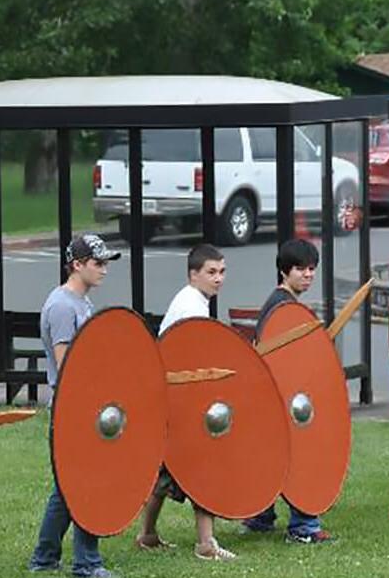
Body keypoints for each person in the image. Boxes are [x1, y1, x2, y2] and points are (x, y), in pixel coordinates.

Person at [28, 233, 121, 578]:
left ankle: (44, 557)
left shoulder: (82, 303)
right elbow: (68, 366)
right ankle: (87, 563)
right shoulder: (64, 306)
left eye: (105, 263)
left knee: (67, 487)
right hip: (73, 409)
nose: (104, 271)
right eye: (98, 264)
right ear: (77, 265)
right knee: (84, 484)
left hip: (85, 406)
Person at [135, 244, 236, 561]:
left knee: (167, 472)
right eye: (211, 272)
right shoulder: (192, 306)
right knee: (203, 469)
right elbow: (189, 358)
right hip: (182, 402)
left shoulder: (192, 301)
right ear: (194, 274)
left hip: (175, 401)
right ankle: (206, 544)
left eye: (221, 272)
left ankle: (148, 535)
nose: (218, 279)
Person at [241, 239, 335, 544]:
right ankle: (303, 527)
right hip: (279, 394)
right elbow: (276, 356)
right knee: (297, 456)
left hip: (276, 394)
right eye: (300, 269)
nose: (308, 275)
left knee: (274, 456)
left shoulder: (287, 304)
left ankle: (260, 515)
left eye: (311, 269)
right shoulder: (281, 306)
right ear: (284, 271)